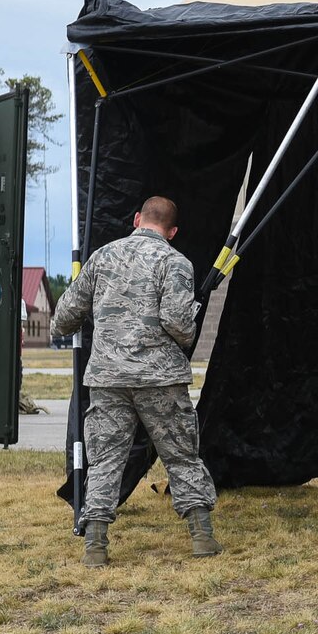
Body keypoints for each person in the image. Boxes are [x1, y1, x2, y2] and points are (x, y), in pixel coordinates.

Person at [51, 196, 219, 566]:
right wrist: (189, 324)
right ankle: (202, 538)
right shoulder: (176, 263)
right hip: (160, 379)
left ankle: (95, 544)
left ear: (137, 219)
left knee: (106, 459)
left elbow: (64, 317)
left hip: (109, 378)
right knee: (181, 456)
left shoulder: (102, 258)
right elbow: (178, 323)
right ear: (172, 232)